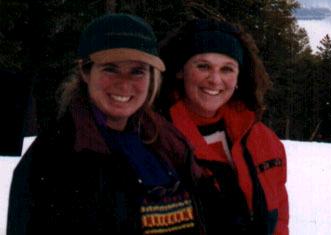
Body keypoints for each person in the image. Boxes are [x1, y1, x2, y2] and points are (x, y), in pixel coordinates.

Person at [7, 14, 206, 235]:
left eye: (137, 71)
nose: (124, 83)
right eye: (110, 69)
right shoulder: (53, 157)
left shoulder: (169, 142)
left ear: (152, 77)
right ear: (85, 71)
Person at [158, 19, 289, 235]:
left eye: (227, 69)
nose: (215, 79)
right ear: (180, 71)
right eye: (203, 66)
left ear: (239, 78)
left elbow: (278, 216)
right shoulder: (158, 139)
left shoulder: (263, 140)